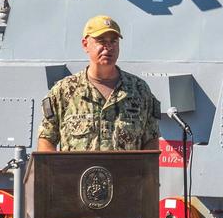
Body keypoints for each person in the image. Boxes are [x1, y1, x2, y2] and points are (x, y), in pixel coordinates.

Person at [37, 15, 160, 151]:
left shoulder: (139, 90)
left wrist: (146, 171)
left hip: (126, 172)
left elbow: (151, 141)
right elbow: (46, 139)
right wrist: (56, 171)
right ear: (85, 45)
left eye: (113, 42)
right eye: (101, 41)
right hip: (75, 172)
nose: (108, 47)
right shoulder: (64, 90)